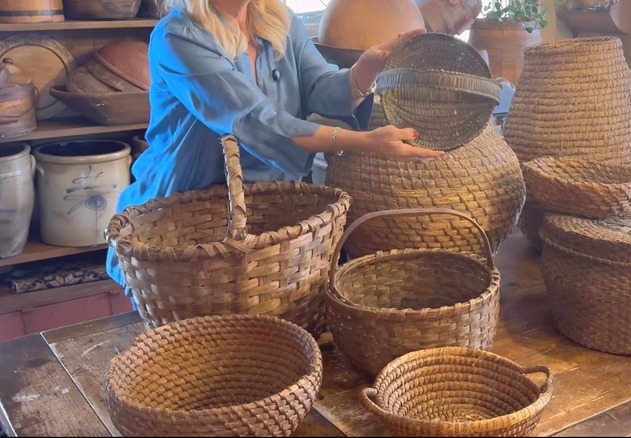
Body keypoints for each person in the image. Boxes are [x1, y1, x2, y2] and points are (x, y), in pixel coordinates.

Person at [106, 0, 444, 296]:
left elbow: (322, 87)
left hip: (270, 212)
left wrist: (364, 71)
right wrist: (364, 142)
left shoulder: (277, 19)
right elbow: (259, 123)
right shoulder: (177, 36)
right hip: (186, 215)